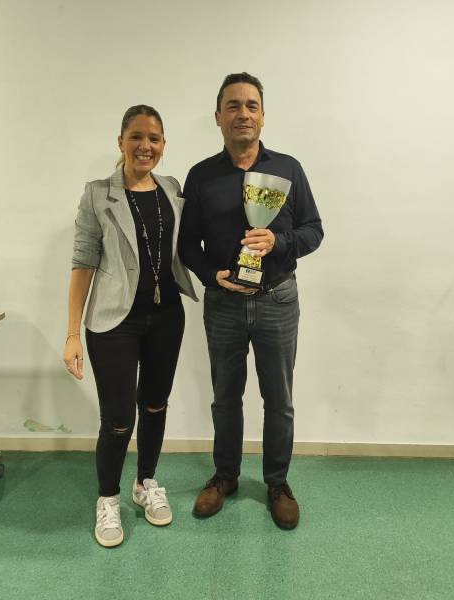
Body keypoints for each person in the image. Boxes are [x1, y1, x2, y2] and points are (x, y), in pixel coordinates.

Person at [178, 73, 323, 530]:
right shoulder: (201, 175)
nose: (243, 113)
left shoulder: (289, 170)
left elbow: (313, 230)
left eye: (251, 105)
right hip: (223, 303)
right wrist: (213, 277)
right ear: (218, 117)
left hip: (278, 299)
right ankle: (225, 476)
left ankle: (277, 483)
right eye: (234, 106)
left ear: (263, 116)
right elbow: (187, 246)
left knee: (279, 399)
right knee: (225, 398)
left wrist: (278, 241)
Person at [64, 105, 197, 547]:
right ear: (120, 141)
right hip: (113, 322)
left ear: (163, 145)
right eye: (136, 136)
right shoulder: (97, 193)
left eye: (154, 138)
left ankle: (145, 483)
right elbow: (83, 262)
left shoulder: (172, 189)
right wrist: (71, 333)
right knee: (119, 419)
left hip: (167, 317)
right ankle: (108, 498)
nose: (145, 146)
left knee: (155, 405)